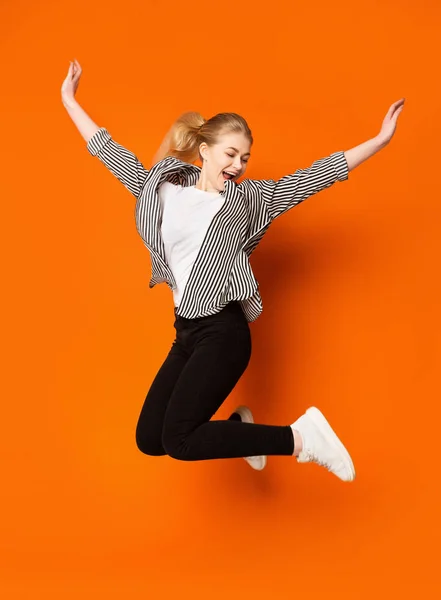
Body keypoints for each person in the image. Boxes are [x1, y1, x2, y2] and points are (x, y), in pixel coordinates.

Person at [61, 59, 404, 482]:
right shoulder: (162, 190)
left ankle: (300, 437)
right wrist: (69, 100)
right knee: (151, 438)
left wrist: (379, 141)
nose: (239, 165)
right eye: (231, 154)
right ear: (204, 152)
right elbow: (110, 153)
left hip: (223, 333)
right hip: (186, 332)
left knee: (180, 441)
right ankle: (242, 432)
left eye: (244, 157)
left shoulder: (248, 201)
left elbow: (315, 177)